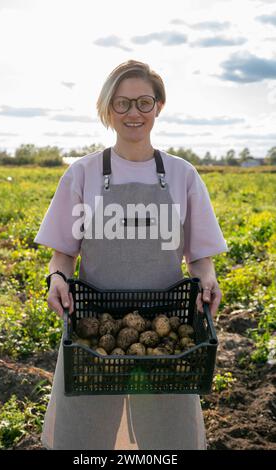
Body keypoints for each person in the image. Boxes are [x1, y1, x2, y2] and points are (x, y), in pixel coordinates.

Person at [34, 59, 228, 450]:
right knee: (85, 431)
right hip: (92, 327)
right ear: (107, 109)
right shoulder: (83, 174)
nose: (133, 113)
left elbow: (200, 256)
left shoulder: (181, 174)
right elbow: (63, 255)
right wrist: (56, 278)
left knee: (167, 431)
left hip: (168, 328)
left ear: (159, 106)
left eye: (143, 101)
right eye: (122, 103)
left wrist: (207, 277)